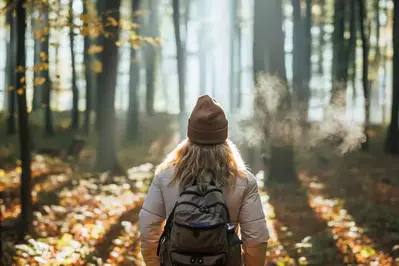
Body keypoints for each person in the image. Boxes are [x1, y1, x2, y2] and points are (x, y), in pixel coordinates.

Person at [139, 95, 269, 266]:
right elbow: (256, 240)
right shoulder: (243, 180)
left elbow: (149, 231)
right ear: (224, 136)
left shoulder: (166, 175)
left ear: (190, 134)